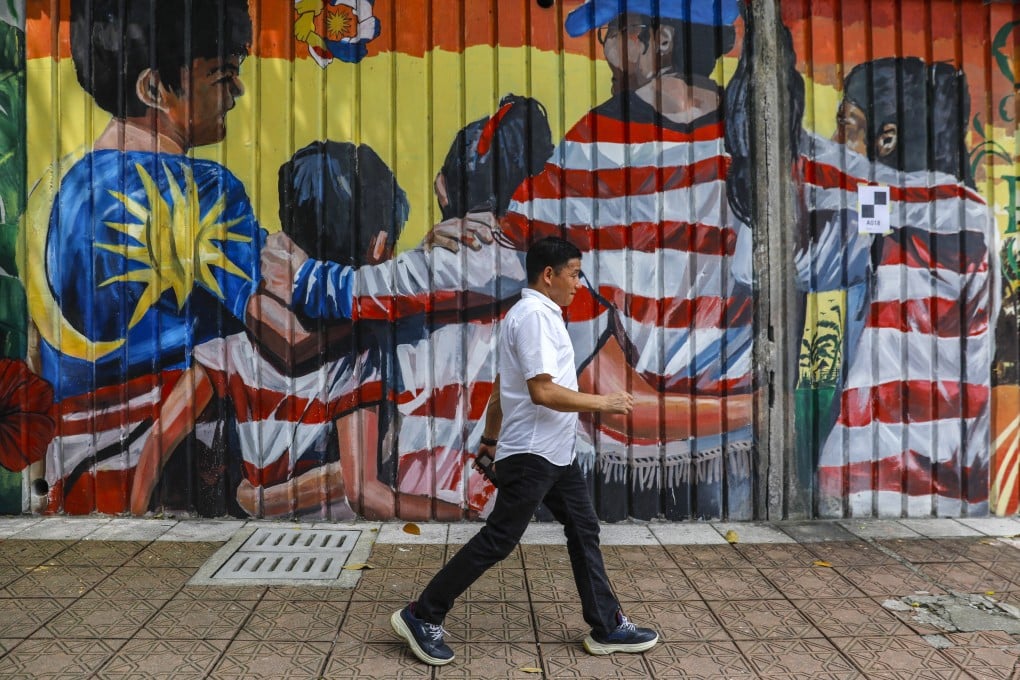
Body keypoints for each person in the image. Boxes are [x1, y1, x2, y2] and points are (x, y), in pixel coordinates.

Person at [500, 0, 760, 519]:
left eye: (613, 34)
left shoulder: (589, 146)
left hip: (621, 439)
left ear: (656, 40)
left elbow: (513, 238)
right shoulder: (754, 140)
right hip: (732, 434)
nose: (607, 52)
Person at [26, 0, 270, 514]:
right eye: (222, 73)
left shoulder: (52, 190)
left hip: (75, 471)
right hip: (176, 472)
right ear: (154, 89)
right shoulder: (204, 188)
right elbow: (280, 309)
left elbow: (35, 345)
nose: (237, 91)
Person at [390, 236, 658, 667]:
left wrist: (490, 442)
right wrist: (603, 403)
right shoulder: (534, 317)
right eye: (572, 273)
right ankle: (422, 614)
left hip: (554, 454)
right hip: (535, 454)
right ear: (548, 275)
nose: (578, 283)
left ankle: (606, 625)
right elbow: (541, 391)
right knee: (500, 539)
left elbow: (501, 390)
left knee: (583, 528)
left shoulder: (538, 315)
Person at [797, 57, 994, 515]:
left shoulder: (894, 204)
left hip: (876, 472)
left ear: (887, 138)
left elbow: (812, 266)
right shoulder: (977, 216)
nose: (837, 141)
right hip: (959, 473)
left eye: (847, 124)